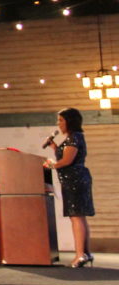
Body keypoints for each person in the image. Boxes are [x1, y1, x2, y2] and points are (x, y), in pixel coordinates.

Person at [44, 107, 95, 267]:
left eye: (61, 120)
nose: (58, 124)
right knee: (79, 217)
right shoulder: (73, 138)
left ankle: (80, 255)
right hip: (74, 179)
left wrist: (51, 165)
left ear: (70, 121)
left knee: (76, 217)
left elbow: (67, 161)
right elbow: (65, 155)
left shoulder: (74, 138)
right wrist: (54, 147)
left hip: (75, 180)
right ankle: (85, 253)